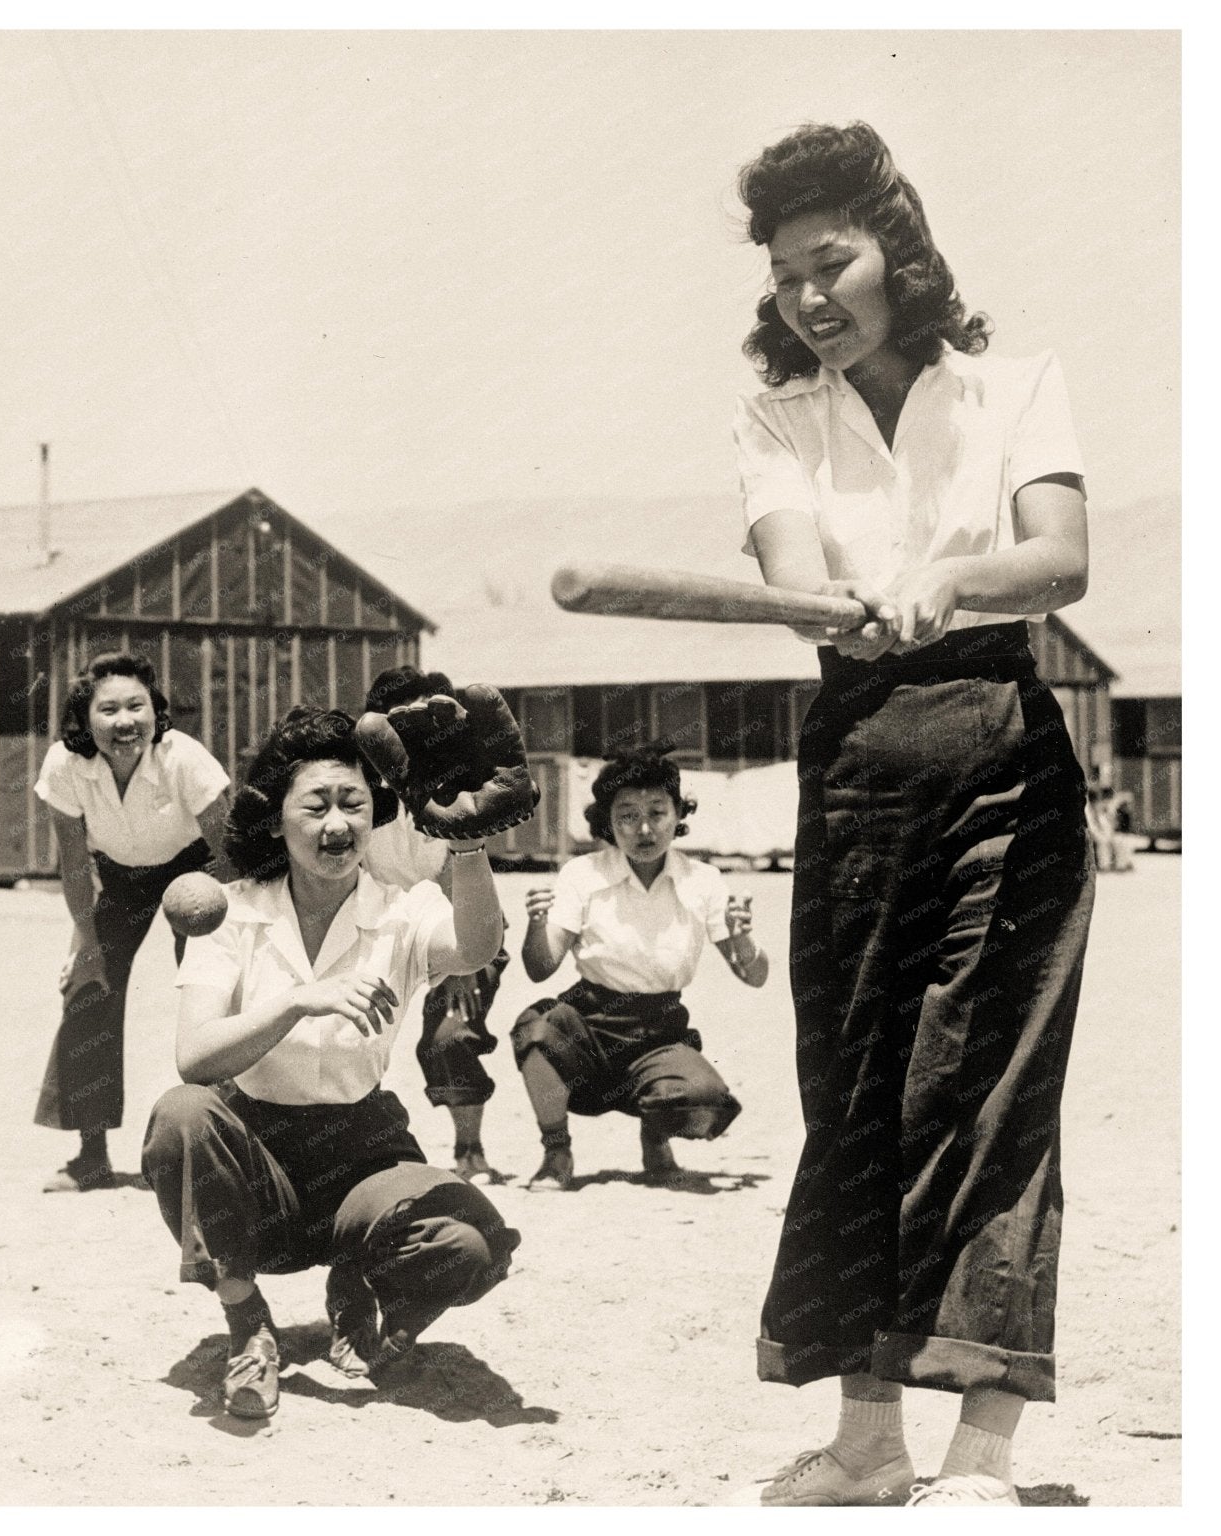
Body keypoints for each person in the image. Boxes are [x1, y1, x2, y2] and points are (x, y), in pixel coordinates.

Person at [732, 122, 1096, 1505]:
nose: (810, 297)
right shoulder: (779, 414)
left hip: (1004, 748)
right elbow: (783, 573)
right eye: (785, 276)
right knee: (859, 1097)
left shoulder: (1014, 386)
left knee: (988, 1093)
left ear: (904, 253)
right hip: (859, 761)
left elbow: (1058, 559)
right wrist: (837, 602)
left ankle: (982, 1457)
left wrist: (953, 583)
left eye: (833, 262)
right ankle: (869, 1441)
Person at [141, 706, 521, 1420]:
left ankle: (366, 1296)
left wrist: (468, 846)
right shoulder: (231, 911)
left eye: (354, 803)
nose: (337, 825)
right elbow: (194, 1059)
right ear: (276, 817)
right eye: (314, 806)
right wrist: (298, 1002)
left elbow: (473, 948)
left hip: (363, 1150)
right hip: (259, 1161)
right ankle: (247, 1321)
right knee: (181, 1117)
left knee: (468, 1246)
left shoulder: (404, 908)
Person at [509, 750, 765, 1189]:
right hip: (588, 1023)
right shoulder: (582, 873)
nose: (644, 829)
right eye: (627, 815)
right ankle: (556, 1153)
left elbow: (754, 975)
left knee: (703, 1101)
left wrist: (743, 938)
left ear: (679, 813)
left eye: (657, 812)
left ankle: (655, 1137)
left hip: (659, 1031)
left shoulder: (702, 880)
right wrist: (536, 926)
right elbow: (540, 968)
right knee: (536, 1030)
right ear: (608, 821)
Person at [33, 652, 232, 1193]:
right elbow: (75, 865)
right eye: (109, 710)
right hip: (117, 880)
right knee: (85, 990)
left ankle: (227, 1149)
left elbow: (230, 852)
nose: (125, 722)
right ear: (85, 719)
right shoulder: (63, 766)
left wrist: (232, 934)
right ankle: (90, 1156)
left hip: (195, 875)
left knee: (215, 1001)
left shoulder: (184, 758)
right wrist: (86, 944)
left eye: (137, 707)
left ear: (155, 711)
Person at [359, 665, 513, 1183]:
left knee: (452, 1032)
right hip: (381, 926)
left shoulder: (456, 782)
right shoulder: (362, 790)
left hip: (459, 921)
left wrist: (468, 964)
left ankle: (470, 1149)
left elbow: (458, 872)